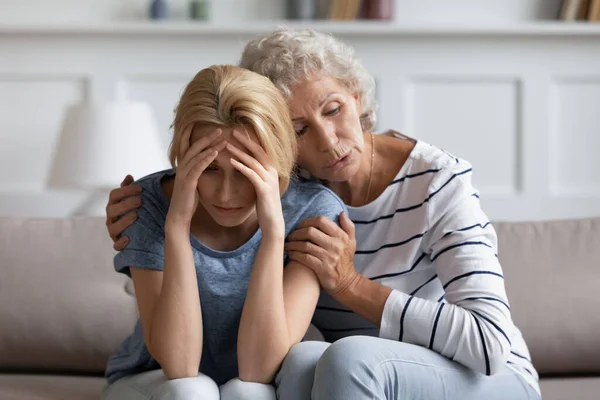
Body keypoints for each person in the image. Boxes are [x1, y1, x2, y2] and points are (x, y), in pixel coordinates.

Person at [105, 29, 541, 400]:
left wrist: (349, 285)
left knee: (347, 356)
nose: (330, 141)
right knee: (303, 362)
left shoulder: (438, 180)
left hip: (475, 374)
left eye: (334, 110)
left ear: (356, 96)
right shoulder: (285, 191)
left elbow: (488, 345)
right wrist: (153, 210)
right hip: (349, 374)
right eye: (298, 129)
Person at [102, 64, 346, 400]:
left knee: (250, 394)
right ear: (183, 155)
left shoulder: (313, 211)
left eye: (245, 171)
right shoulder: (144, 205)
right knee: (193, 392)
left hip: (257, 385)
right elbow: (180, 366)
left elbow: (259, 371)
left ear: (278, 157)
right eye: (210, 168)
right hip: (154, 383)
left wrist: (273, 233)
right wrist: (176, 225)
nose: (225, 195)